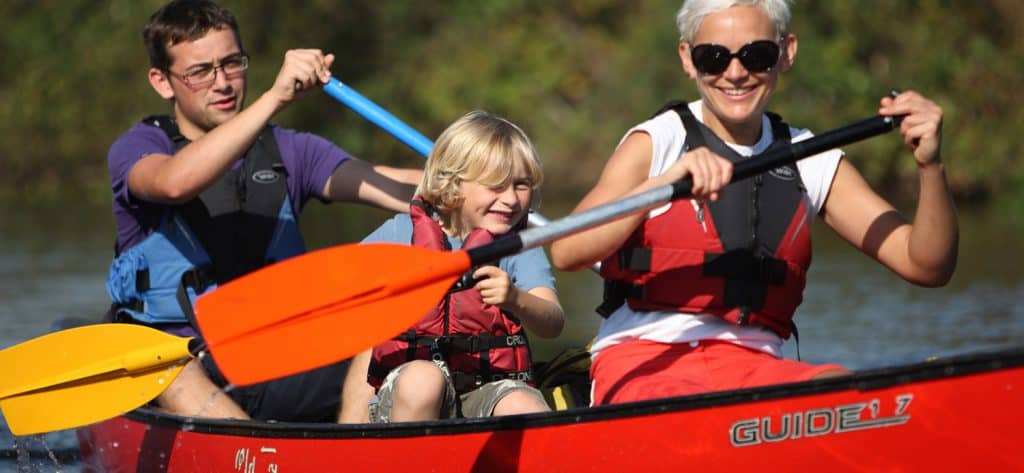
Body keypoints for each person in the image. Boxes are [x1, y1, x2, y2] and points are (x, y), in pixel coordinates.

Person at [549, 0, 958, 406]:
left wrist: (930, 165)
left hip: (755, 366)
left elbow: (926, 265)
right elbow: (567, 250)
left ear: (787, 52)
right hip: (645, 362)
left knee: (840, 387)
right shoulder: (657, 142)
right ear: (687, 59)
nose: (735, 73)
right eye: (713, 57)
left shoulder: (809, 158)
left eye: (756, 55)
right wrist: (663, 183)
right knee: (688, 410)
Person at [104, 0, 421, 422]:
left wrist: (483, 180)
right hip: (183, 363)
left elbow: (396, 185)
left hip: (278, 359)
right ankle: (248, 451)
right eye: (200, 71)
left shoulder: (292, 151)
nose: (223, 83)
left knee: (378, 337)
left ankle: (351, 453)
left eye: (232, 63)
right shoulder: (141, 148)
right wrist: (276, 97)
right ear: (162, 82)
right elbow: (174, 183)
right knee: (172, 372)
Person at [345, 111, 565, 423]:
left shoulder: (519, 245)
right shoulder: (398, 233)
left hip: (490, 386)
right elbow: (341, 288)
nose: (511, 199)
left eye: (521, 185)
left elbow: (553, 323)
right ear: (453, 184)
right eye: (496, 186)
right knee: (423, 380)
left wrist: (516, 298)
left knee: (521, 404)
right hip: (411, 388)